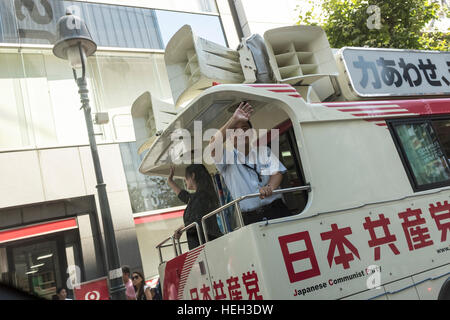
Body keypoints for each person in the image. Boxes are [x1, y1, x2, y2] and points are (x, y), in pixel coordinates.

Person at [209, 101, 291, 225]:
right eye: (235, 131)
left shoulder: (264, 151)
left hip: (278, 210)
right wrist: (234, 119)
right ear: (230, 138)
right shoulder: (227, 159)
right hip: (251, 218)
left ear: (251, 133)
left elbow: (277, 173)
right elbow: (213, 145)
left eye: (245, 129)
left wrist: (270, 187)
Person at [167, 164, 222, 250]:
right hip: (205, 244)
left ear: (193, 175)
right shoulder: (201, 196)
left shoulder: (202, 196)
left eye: (186, 177)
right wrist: (170, 181)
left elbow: (197, 219)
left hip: (206, 245)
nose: (185, 181)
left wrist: (182, 228)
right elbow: (184, 196)